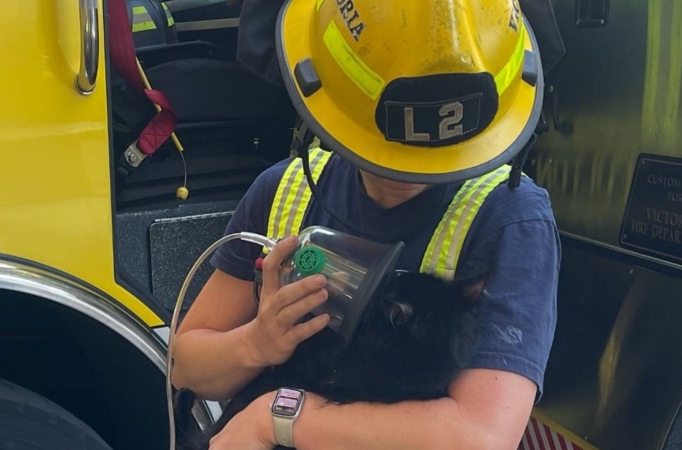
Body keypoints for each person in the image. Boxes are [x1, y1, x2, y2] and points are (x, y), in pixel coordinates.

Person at [171, 0, 560, 448]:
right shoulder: (283, 188)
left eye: (435, 160)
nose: (405, 174)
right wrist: (255, 343)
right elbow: (187, 366)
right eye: (385, 154)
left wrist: (275, 416)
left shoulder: (509, 218)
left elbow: (481, 434)